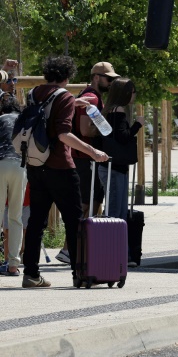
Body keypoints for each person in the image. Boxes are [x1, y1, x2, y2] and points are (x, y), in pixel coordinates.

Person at [22, 55, 109, 287]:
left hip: (36, 165)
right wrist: (92, 152)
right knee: (74, 221)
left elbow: (46, 116)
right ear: (67, 76)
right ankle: (79, 274)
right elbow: (62, 133)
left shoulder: (34, 93)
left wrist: (74, 103)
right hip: (60, 166)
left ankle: (30, 274)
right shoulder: (64, 96)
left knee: (36, 222)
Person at [56, 60, 119, 265]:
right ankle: (68, 249)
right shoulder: (91, 98)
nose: (110, 82)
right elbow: (85, 131)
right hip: (84, 159)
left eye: (112, 79)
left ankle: (78, 247)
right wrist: (104, 124)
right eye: (108, 79)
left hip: (84, 158)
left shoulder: (92, 97)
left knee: (91, 203)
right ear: (96, 77)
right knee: (86, 204)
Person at [95, 78, 144, 223]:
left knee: (117, 211)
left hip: (112, 167)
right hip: (115, 169)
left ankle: (115, 243)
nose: (134, 95)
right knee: (116, 213)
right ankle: (111, 244)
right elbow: (123, 137)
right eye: (132, 92)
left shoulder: (108, 110)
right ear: (125, 93)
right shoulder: (118, 110)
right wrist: (137, 124)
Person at [0, 95, 24, 276]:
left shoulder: (0, 120)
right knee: (16, 216)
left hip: (0, 163)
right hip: (20, 167)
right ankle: (14, 264)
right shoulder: (24, 121)